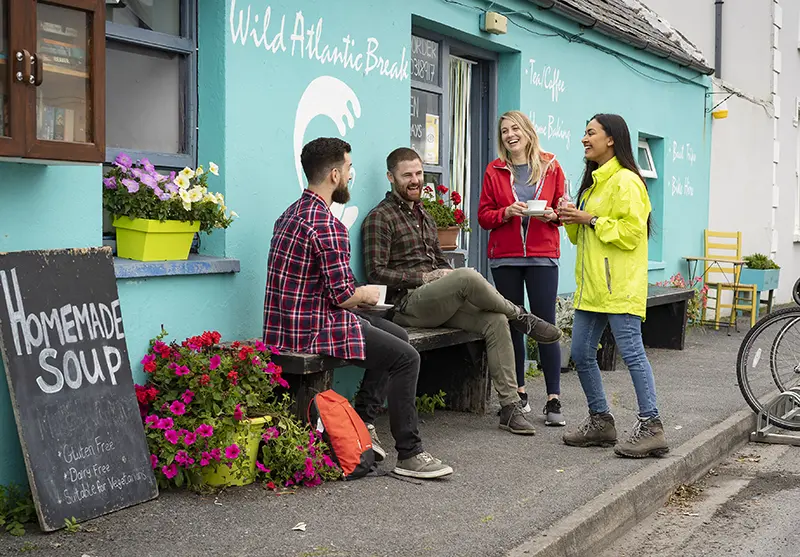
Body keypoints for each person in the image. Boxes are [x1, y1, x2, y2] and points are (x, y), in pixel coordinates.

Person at [263, 137, 452, 479]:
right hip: (313, 329)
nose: (351, 175)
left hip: (286, 325)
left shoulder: (289, 215)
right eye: (349, 169)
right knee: (407, 358)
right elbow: (342, 296)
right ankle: (410, 454)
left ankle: (366, 419)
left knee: (395, 334)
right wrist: (366, 294)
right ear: (334, 174)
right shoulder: (327, 225)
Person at [361, 147, 562, 437]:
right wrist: (425, 277)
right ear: (391, 177)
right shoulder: (381, 217)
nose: (415, 180)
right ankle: (521, 315)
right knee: (467, 276)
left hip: (437, 303)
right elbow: (376, 273)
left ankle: (509, 408)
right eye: (407, 175)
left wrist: (443, 274)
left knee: (494, 320)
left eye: (419, 173)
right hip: (405, 306)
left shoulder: (425, 217)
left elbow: (439, 262)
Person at [557, 114, 669, 458]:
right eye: (584, 132)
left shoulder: (627, 182)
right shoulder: (595, 183)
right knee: (580, 353)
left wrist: (589, 218)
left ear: (611, 139)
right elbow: (581, 238)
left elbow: (633, 233)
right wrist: (569, 216)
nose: (584, 139)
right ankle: (601, 421)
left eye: (590, 132)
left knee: (632, 354)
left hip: (619, 286)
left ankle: (652, 426)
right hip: (593, 288)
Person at [478, 110, 567, 427]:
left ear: (528, 131)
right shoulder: (495, 170)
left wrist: (553, 216)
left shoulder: (552, 166)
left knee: (545, 324)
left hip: (543, 255)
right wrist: (506, 212)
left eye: (515, 128)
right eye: (504, 131)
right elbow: (484, 216)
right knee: (514, 323)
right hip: (505, 257)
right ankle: (519, 392)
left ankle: (553, 398)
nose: (510, 135)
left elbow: (563, 208)